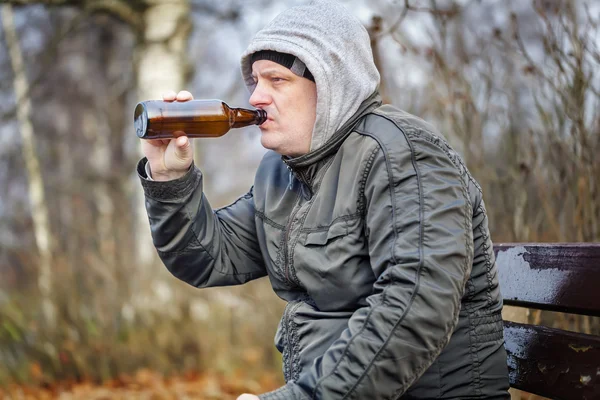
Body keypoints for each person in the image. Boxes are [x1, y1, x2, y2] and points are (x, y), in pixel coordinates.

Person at [137, 0, 510, 398]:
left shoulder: (404, 155)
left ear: (331, 81)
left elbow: (415, 307)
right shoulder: (283, 170)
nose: (256, 97)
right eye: (255, 82)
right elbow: (209, 257)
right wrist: (169, 175)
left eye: (276, 80)